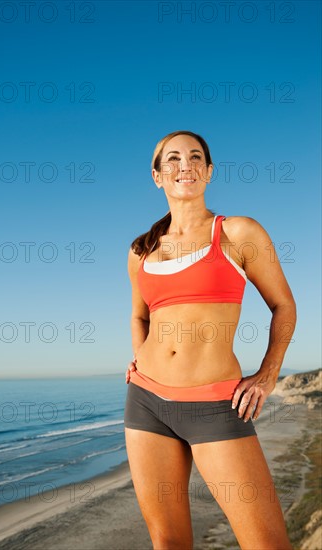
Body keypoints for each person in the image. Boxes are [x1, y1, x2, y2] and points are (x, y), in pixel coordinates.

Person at [124, 130, 296, 550]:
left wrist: (268, 374)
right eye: (174, 159)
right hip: (146, 402)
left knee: (267, 544)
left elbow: (284, 306)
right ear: (157, 175)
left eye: (196, 157)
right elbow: (138, 314)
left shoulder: (239, 233)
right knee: (168, 542)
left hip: (215, 403)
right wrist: (139, 360)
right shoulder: (141, 251)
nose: (186, 165)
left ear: (209, 171)